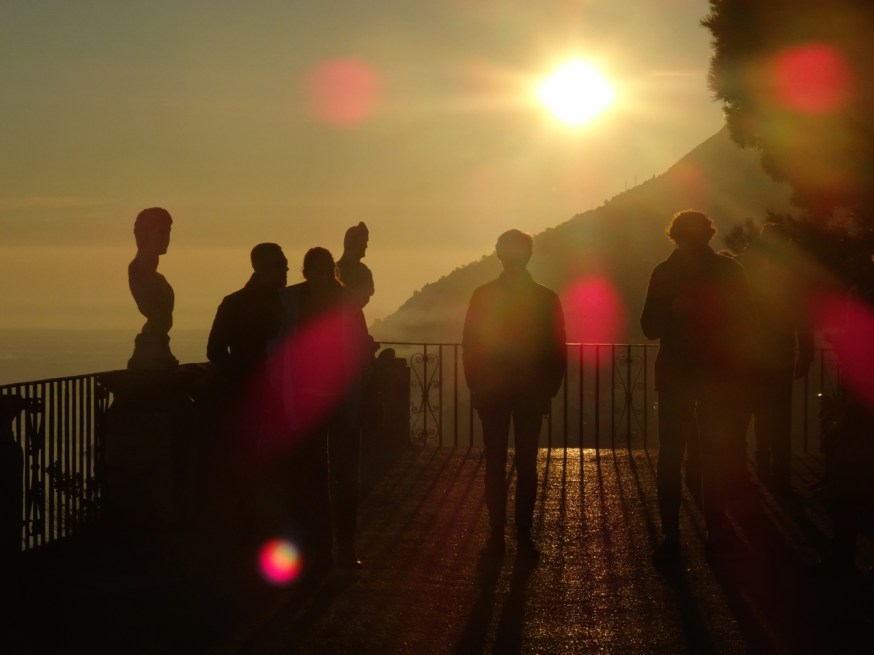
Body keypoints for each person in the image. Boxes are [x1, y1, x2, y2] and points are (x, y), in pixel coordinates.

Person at [641, 210, 750, 564]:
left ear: (674, 236)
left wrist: (673, 309)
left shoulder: (664, 272)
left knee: (671, 456)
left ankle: (672, 535)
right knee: (715, 456)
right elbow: (745, 323)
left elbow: (648, 327)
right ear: (709, 235)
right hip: (718, 375)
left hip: (675, 375)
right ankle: (716, 532)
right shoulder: (729, 271)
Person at [462, 229, 566, 561]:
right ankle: (522, 533)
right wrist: (548, 389)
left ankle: (497, 532)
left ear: (499, 255)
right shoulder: (546, 298)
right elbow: (556, 347)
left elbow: (471, 345)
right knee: (526, 463)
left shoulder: (483, 295)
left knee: (495, 462)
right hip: (530, 392)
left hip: (494, 390)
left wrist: (476, 386)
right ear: (529, 255)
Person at [276, 247, 373, 573]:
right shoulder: (344, 303)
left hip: (321, 402)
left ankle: (327, 552)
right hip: (333, 401)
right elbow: (362, 351)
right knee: (336, 478)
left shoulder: (292, 303)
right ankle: (339, 550)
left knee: (319, 479)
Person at [741, 223, 814, 496]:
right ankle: (780, 474)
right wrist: (806, 353)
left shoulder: (747, 267)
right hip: (780, 355)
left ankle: (761, 467)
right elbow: (803, 317)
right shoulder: (790, 275)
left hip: (751, 355)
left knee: (756, 413)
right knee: (780, 417)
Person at [206, 243, 289, 386]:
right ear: (262, 269)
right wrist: (242, 380)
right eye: (280, 264)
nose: (286, 269)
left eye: (285, 264)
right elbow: (215, 350)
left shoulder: (289, 301)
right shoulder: (234, 304)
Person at [127, 207, 179, 370]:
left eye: (168, 232)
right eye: (161, 232)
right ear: (145, 234)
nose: (166, 238)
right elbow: (154, 310)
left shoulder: (158, 277)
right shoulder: (139, 271)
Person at [336, 221, 375, 309]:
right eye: (363, 242)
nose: (366, 246)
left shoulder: (365, 272)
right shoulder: (333, 271)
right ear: (353, 243)